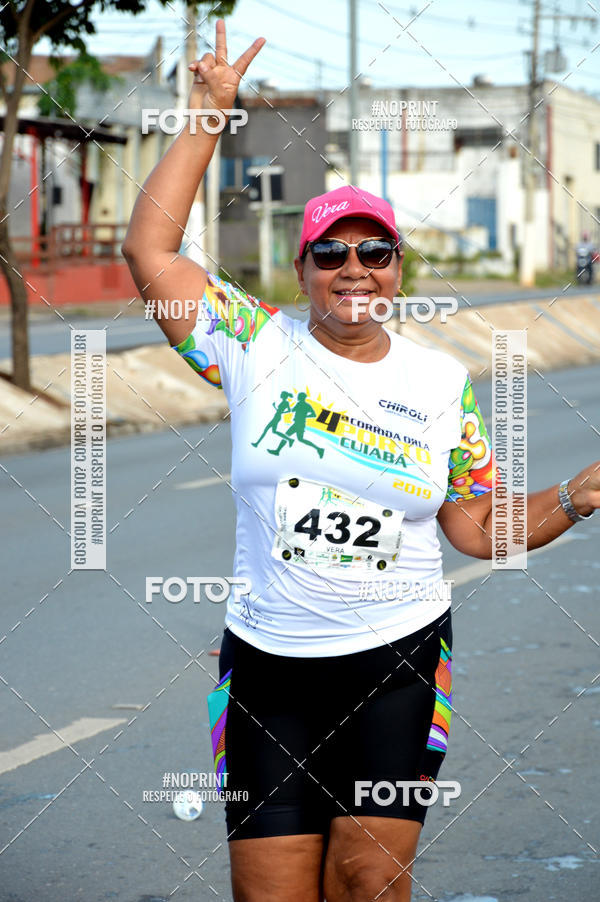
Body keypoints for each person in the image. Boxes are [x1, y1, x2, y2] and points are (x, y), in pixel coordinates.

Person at [122, 20, 600, 902]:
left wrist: (579, 492)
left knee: (368, 880)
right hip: (266, 669)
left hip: (397, 663)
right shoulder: (252, 344)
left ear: (397, 269)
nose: (354, 269)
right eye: (331, 252)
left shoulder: (440, 384)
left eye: (373, 252)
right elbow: (150, 252)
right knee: (271, 891)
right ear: (301, 269)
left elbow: (475, 525)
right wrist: (209, 115)